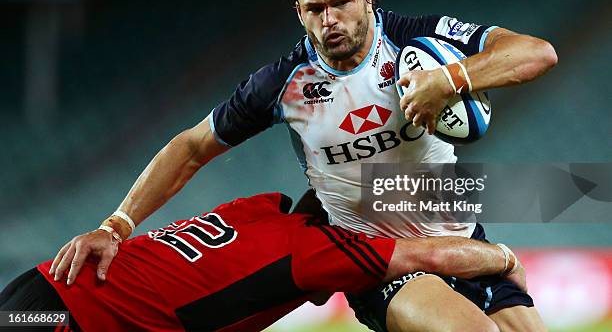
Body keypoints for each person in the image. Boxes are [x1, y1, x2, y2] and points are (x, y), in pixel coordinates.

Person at [50, 0, 557, 332]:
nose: (330, 20)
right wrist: (115, 226)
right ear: (299, 11)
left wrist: (448, 79)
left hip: (461, 235)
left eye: (341, 2)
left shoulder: (418, 40)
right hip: (374, 260)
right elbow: (190, 147)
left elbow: (537, 52)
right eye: (315, 9)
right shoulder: (283, 84)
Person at [1, 191, 525, 332]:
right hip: (68, 321)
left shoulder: (257, 208)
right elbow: (429, 253)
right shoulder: (315, 253)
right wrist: (502, 257)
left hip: (42, 290)